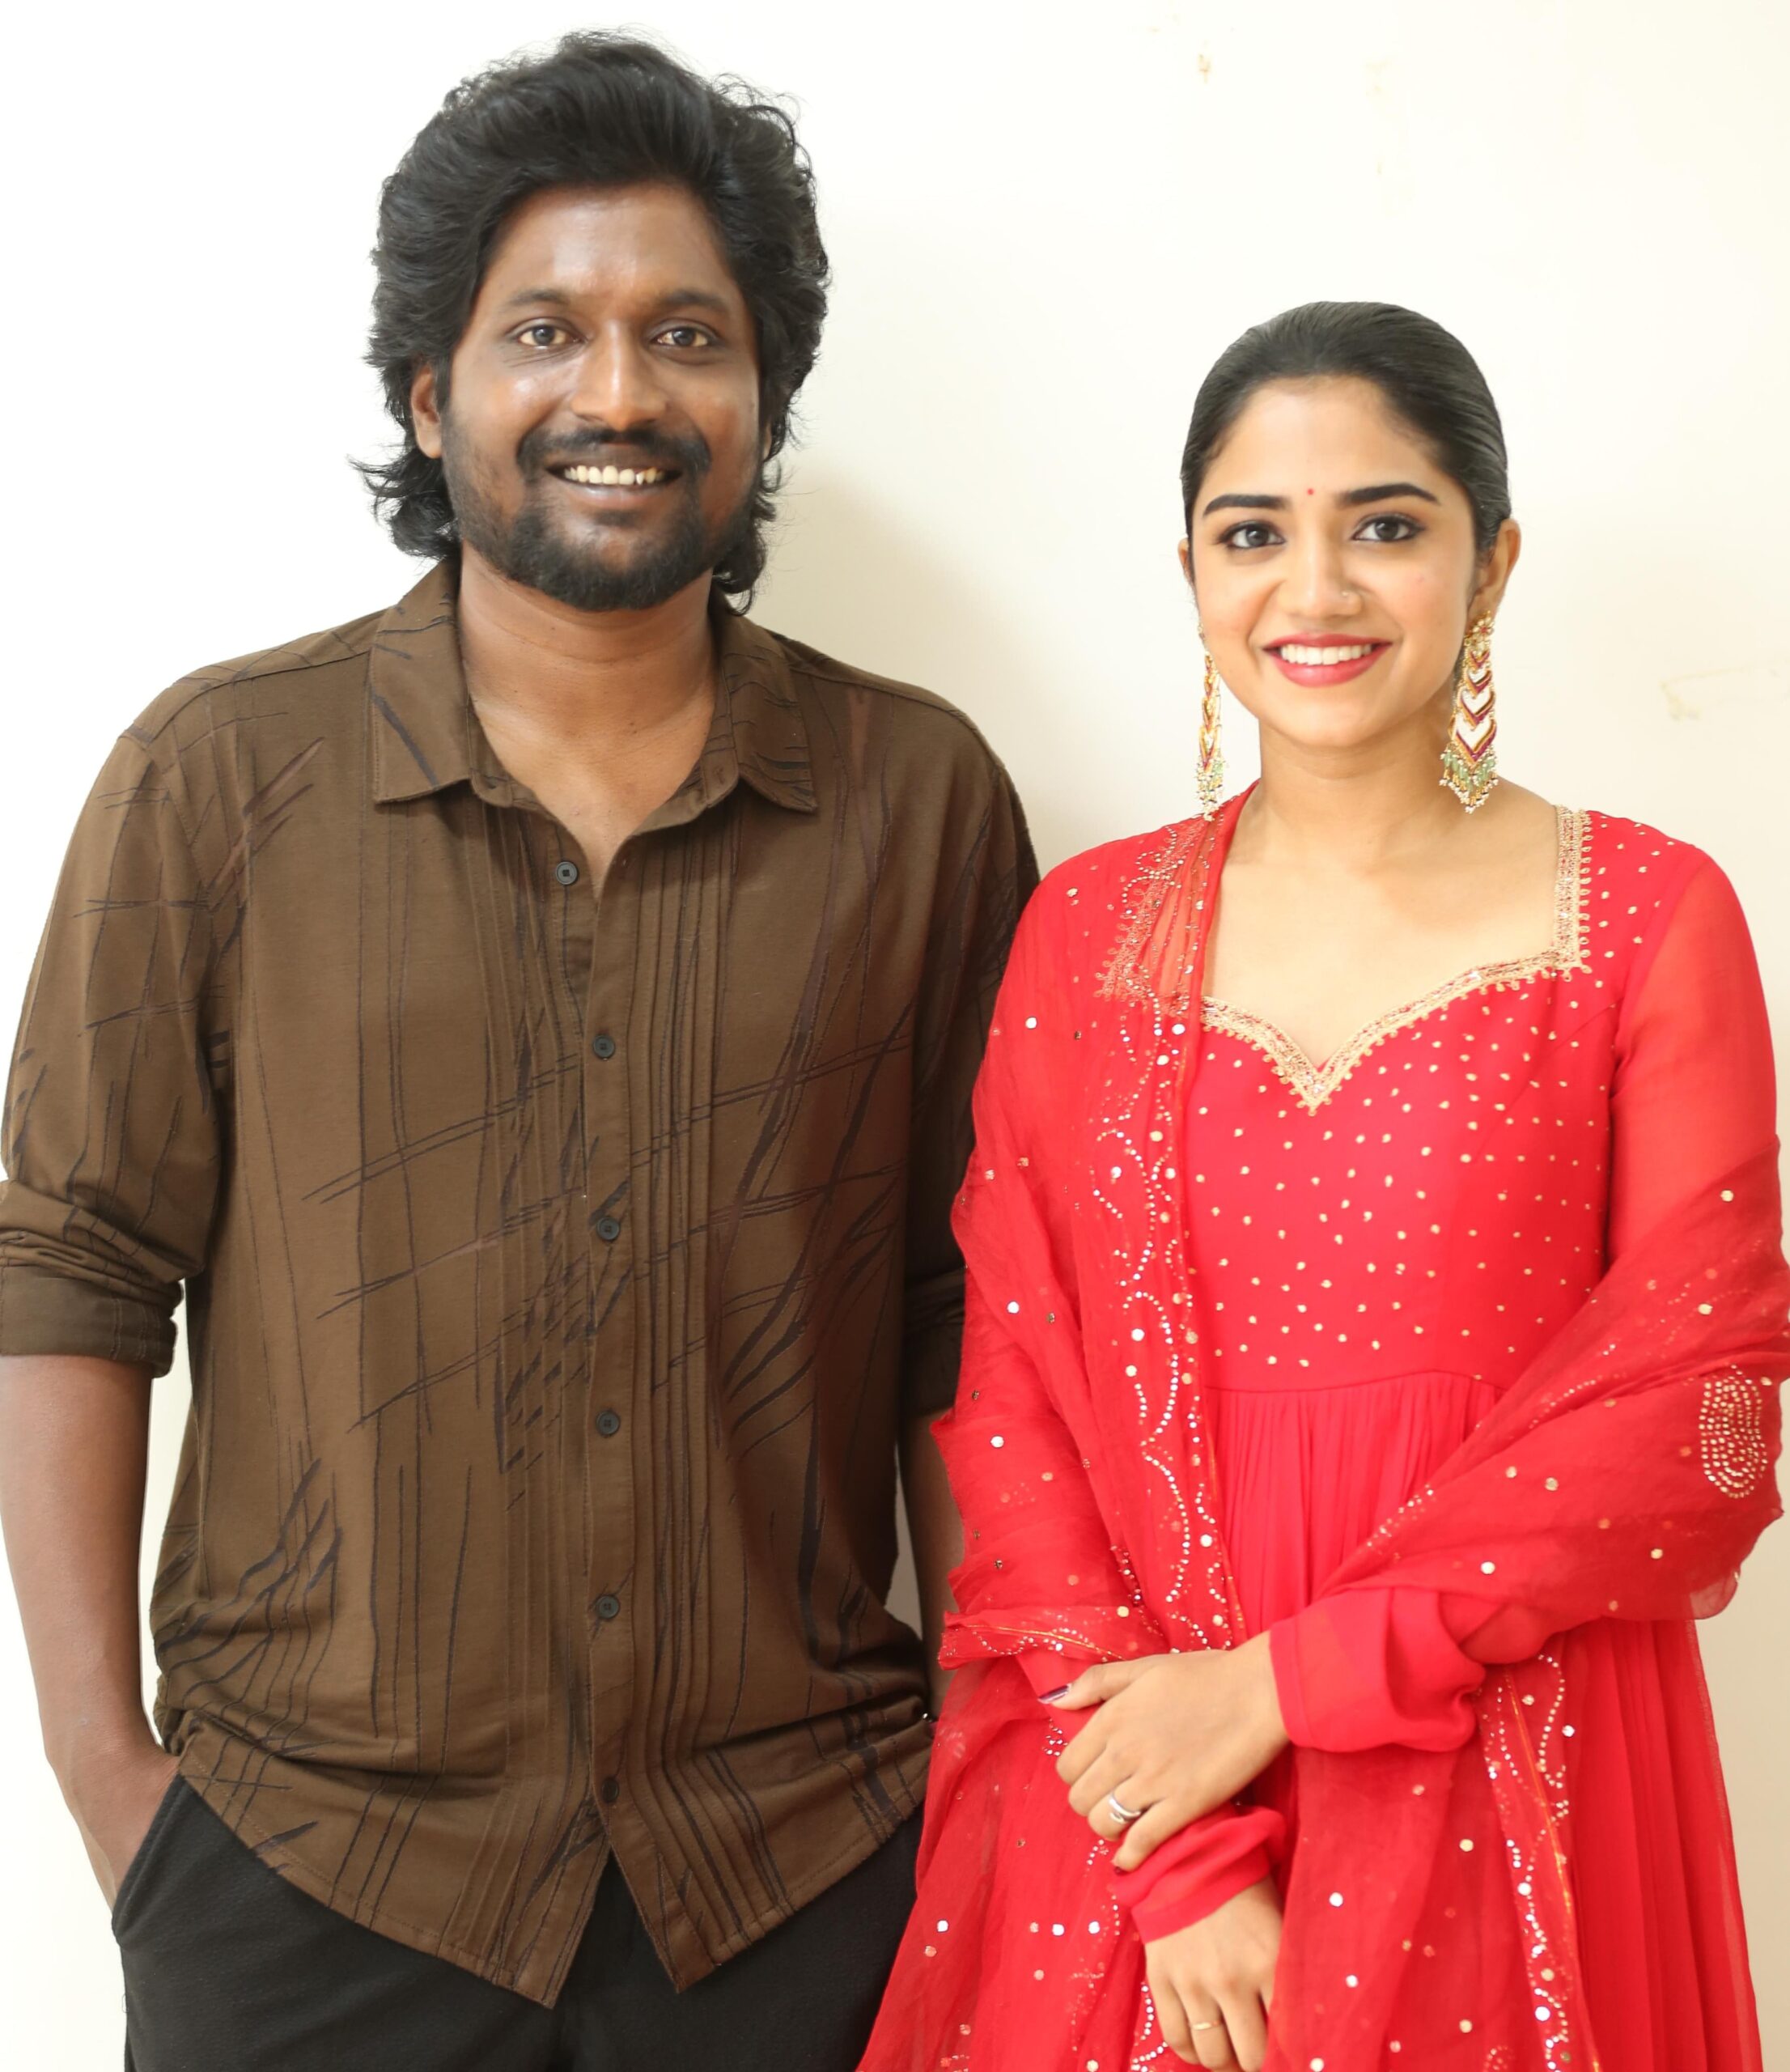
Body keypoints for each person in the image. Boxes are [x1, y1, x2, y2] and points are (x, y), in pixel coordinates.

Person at [0, 33, 1033, 2072]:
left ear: (761, 396)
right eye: (542, 330)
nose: (617, 393)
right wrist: (117, 1789)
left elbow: (970, 1310)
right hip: (305, 1876)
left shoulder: (914, 800)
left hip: (802, 1874)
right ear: (429, 389)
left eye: (688, 336)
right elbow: (70, 1267)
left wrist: (983, 1764)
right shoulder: (220, 777)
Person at [859, 301, 1787, 2072]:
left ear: (1490, 561)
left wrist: (1279, 1687)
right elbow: (1016, 1402)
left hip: (1504, 1753)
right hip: (1136, 1802)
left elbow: (1701, 1414)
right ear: (1190, 574)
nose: (1316, 587)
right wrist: (1176, 1844)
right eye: (1252, 533)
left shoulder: (1643, 920)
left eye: (1385, 523)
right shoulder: (1086, 934)